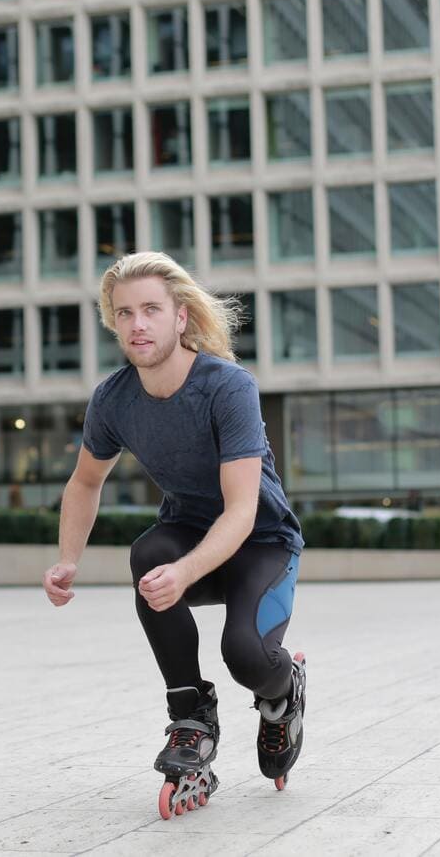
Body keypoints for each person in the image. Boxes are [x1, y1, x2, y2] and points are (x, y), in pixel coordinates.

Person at [42, 252, 308, 815]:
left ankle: (284, 693)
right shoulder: (113, 399)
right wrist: (68, 559)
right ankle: (191, 717)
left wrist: (186, 572)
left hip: (262, 542)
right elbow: (85, 481)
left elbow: (241, 510)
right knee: (149, 553)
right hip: (187, 534)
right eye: (124, 313)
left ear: (180, 317)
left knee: (245, 655)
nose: (137, 324)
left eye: (151, 310)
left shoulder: (228, 387)